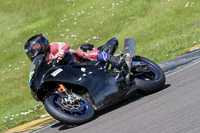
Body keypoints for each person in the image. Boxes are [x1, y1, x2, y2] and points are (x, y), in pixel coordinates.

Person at [24, 34, 120, 66]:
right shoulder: (43, 63)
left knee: (81, 51)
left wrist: (60, 54)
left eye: (31, 52)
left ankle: (113, 60)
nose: (32, 55)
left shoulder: (52, 47)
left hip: (80, 61)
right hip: (72, 72)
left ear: (38, 46)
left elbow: (65, 46)